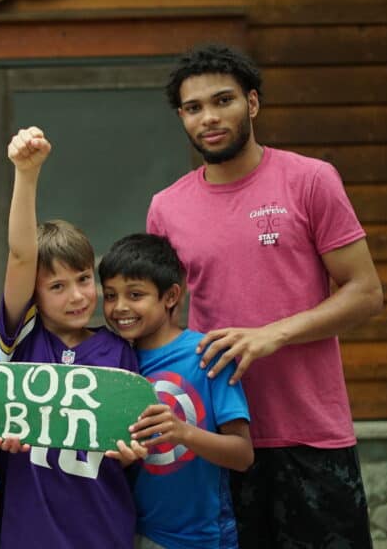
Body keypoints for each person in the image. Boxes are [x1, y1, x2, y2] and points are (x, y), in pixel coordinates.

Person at [147, 44, 384, 547]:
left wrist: (272, 335)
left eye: (223, 100)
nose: (209, 117)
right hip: (221, 437)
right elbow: (157, 321)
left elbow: (366, 293)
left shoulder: (310, 180)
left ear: (252, 103)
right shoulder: (166, 208)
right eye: (193, 108)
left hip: (311, 431)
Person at [0, 127, 139, 549]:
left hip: (104, 533)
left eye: (82, 279)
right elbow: (23, 255)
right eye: (57, 286)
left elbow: (134, 443)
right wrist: (26, 174)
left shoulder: (120, 350)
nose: (77, 296)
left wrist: (135, 453)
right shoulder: (21, 340)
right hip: (29, 536)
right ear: (34, 297)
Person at [98, 233, 253, 549]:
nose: (119, 307)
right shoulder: (110, 361)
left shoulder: (208, 356)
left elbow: (243, 455)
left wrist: (183, 432)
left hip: (200, 538)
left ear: (170, 297)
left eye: (135, 294)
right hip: (125, 531)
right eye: (110, 295)